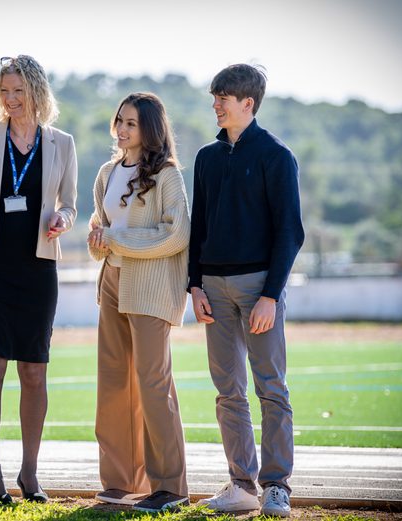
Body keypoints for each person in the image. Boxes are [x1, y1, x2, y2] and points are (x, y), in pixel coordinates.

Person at [0, 55, 77, 504]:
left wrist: (62, 216)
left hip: (38, 269)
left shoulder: (62, 143)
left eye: (19, 91)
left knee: (35, 372)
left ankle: (30, 473)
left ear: (37, 93)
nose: (10, 99)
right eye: (4, 91)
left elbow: (70, 204)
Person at [188, 64, 305, 517]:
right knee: (228, 391)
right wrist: (193, 285)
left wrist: (271, 295)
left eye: (223, 97)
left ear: (247, 104)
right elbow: (199, 227)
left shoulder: (277, 156)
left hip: (259, 288)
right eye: (214, 97)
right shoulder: (206, 158)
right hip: (212, 289)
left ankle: (277, 486)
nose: (215, 104)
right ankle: (241, 485)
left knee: (271, 387)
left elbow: (290, 233)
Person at [87, 92, 191, 513]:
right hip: (111, 281)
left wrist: (114, 240)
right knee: (113, 383)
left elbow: (176, 235)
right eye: (120, 121)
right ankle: (120, 482)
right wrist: (98, 242)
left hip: (150, 288)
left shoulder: (168, 175)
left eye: (132, 122)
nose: (123, 129)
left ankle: (170, 486)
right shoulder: (107, 173)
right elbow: (102, 231)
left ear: (150, 127)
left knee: (152, 382)